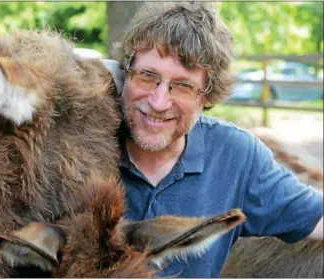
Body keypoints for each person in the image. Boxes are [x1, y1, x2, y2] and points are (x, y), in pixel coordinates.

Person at [103, 2, 323, 277]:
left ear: (206, 97)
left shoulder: (236, 156)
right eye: (148, 76)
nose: (158, 102)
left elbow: (317, 216)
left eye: (183, 85)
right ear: (126, 72)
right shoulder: (84, 145)